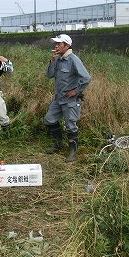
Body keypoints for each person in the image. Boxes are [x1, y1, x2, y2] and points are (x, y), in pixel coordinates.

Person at [44, 34, 91, 162]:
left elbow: (86, 78)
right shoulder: (58, 59)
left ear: (67, 46)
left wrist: (75, 91)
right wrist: (52, 61)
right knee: (49, 119)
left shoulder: (73, 60)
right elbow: (49, 75)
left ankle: (73, 152)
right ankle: (58, 144)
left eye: (59, 44)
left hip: (70, 101)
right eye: (56, 44)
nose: (56, 46)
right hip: (58, 99)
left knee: (71, 126)